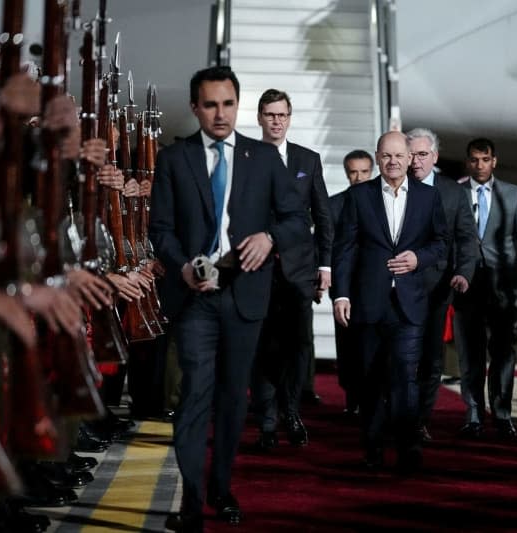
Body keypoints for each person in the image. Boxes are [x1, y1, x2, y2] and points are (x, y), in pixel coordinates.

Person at [149, 66, 308, 532]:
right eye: (211, 104)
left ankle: (221, 486)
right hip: (194, 298)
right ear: (196, 107)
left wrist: (270, 238)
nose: (221, 114)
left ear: (238, 106)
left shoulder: (263, 158)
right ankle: (193, 502)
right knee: (195, 394)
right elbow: (160, 229)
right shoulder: (175, 160)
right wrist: (180, 265)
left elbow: (297, 219)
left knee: (233, 401)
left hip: (245, 299)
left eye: (228, 104)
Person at [332, 131, 447, 473]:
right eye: (386, 156)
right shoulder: (359, 196)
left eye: (400, 155)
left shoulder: (429, 198)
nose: (393, 161)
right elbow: (345, 248)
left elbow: (441, 243)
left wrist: (418, 258)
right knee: (368, 380)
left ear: (411, 159)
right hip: (368, 303)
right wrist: (341, 293)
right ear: (378, 158)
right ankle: (373, 450)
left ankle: (409, 448)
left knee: (404, 378)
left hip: (409, 304)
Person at [250, 88, 332, 451]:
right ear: (260, 118)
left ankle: (291, 412)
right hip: (258, 270)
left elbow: (324, 218)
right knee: (265, 347)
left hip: (300, 272)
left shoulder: (308, 160)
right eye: (270, 115)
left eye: (282, 115)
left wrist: (326, 266)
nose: (276, 121)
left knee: (298, 347)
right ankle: (267, 421)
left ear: (290, 117)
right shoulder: (245, 159)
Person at [454, 137, 517, 439]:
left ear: (495, 161)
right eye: (474, 159)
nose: (480, 165)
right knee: (470, 354)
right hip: (466, 286)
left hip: (503, 286)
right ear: (468, 162)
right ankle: (474, 415)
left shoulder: (513, 195)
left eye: (485, 159)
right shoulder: (455, 193)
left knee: (503, 352)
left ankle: (502, 414)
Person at [406, 128, 477, 442]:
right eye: (412, 154)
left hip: (437, 287)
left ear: (434, 157)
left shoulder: (453, 192)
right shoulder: (394, 185)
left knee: (430, 357)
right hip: (396, 284)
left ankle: (420, 420)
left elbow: (466, 238)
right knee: (398, 354)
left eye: (423, 154)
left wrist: (464, 272)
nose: (416, 161)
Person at [330, 149, 374, 414]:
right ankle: (352, 399)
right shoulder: (334, 205)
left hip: (376, 286)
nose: (358, 177)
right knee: (347, 346)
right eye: (353, 172)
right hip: (345, 287)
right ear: (347, 173)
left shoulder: (385, 202)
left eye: (364, 171)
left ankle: (373, 399)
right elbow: (325, 246)